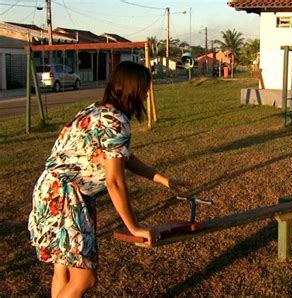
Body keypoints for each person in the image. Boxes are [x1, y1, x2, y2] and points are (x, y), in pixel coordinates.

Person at [28, 61, 188, 297]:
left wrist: (162, 179)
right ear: (132, 89)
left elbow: (124, 158)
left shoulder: (94, 111)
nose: (145, 94)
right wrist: (134, 227)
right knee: (85, 278)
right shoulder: (116, 123)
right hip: (67, 199)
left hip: (47, 191)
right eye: (144, 89)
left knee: (62, 270)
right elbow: (114, 181)